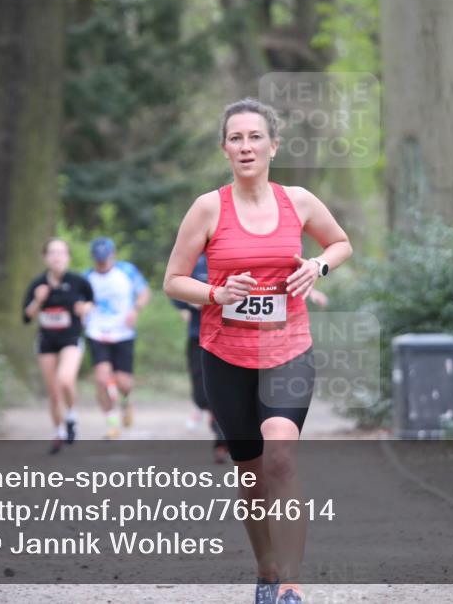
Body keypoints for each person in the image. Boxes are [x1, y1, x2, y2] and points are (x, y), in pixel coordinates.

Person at [163, 98, 352, 604]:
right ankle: (267, 569)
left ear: (274, 144)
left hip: (288, 347)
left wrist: (319, 267)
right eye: (236, 138)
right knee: (250, 473)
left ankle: (291, 583)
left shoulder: (300, 201)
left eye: (254, 137)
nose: (246, 146)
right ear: (224, 148)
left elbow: (339, 243)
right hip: (225, 355)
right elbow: (173, 281)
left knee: (281, 457)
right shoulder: (208, 208)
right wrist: (216, 294)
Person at [22, 238, 94, 455]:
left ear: (68, 257)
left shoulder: (78, 281)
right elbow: (26, 316)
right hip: (46, 342)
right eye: (52, 253)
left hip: (71, 339)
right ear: (45, 257)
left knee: (65, 380)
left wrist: (85, 309)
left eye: (61, 253)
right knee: (53, 392)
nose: (56, 257)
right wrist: (37, 301)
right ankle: (58, 432)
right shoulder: (37, 284)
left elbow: (91, 302)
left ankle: (71, 415)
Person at [84, 237, 150, 438]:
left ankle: (126, 401)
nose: (103, 262)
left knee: (124, 383)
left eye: (106, 258)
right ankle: (111, 422)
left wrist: (135, 310)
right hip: (97, 331)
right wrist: (82, 308)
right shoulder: (86, 277)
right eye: (99, 259)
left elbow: (144, 292)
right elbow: (77, 303)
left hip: (123, 333)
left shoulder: (127, 271)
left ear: (113, 255)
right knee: (102, 378)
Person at [169, 252, 230, 463]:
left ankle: (223, 440)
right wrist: (191, 301)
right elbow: (175, 291)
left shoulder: (234, 258)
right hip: (198, 335)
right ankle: (220, 427)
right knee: (201, 395)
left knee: (223, 390)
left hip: (229, 335)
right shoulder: (195, 262)